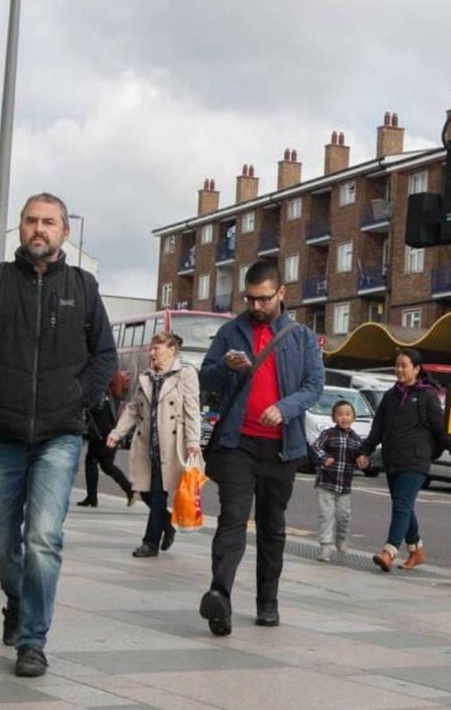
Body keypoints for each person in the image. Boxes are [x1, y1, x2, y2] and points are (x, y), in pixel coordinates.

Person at [0, 192, 115, 677]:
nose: (38, 229)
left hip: (59, 435)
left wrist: (77, 397)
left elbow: (104, 356)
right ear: (20, 229)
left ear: (65, 231)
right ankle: (18, 598)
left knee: (44, 536)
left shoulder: (84, 288)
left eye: (49, 222)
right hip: (1, 433)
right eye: (30, 221)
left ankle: (33, 641)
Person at [198, 260, 323, 635]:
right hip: (237, 444)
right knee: (232, 519)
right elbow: (206, 377)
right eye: (250, 299)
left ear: (281, 294)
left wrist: (284, 409)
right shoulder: (230, 331)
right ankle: (219, 596)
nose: (255, 307)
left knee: (272, 527)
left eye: (263, 299)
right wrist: (226, 366)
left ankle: (267, 603)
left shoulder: (300, 336)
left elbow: (314, 385)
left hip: (282, 448)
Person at [357, 348, 451, 573]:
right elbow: (378, 428)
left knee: (402, 504)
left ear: (416, 369)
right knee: (403, 506)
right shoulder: (390, 395)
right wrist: (365, 452)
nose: (399, 370)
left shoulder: (427, 395)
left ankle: (389, 551)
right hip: (393, 460)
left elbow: (441, 429)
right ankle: (416, 551)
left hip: (416, 460)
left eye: (404, 365)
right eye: (397, 365)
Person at [108, 332, 200, 557]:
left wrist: (193, 441)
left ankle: (150, 543)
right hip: (146, 443)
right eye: (151, 349)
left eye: (156, 349)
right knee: (141, 489)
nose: (151, 353)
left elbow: (192, 408)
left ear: (171, 350)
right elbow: (133, 408)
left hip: (171, 444)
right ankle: (166, 523)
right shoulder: (146, 376)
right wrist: (117, 433)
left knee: (158, 493)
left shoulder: (185, 374)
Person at [311, 400, 362, 563]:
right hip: (326, 482)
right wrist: (324, 458)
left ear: (353, 417)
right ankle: (325, 547)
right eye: (340, 414)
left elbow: (361, 458)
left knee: (343, 516)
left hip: (344, 486)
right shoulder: (328, 434)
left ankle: (341, 539)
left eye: (348, 414)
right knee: (326, 516)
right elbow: (316, 446)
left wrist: (364, 461)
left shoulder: (356, 439)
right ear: (333, 418)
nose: (344, 418)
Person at [79, 380, 134, 508]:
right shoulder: (114, 392)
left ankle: (92, 496)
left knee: (92, 461)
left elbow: (96, 409)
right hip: (109, 433)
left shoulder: (102, 393)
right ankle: (128, 489)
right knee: (106, 465)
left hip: (101, 434)